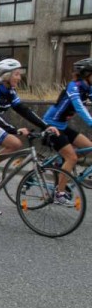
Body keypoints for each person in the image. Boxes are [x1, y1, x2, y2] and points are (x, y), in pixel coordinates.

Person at [0, 58, 58, 217]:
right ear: (6, 75)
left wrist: (45, 126)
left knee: (15, 143)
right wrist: (14, 129)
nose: (19, 78)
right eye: (16, 74)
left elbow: (24, 111)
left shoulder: (10, 92)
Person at [43, 58, 92, 204]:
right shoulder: (73, 86)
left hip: (62, 125)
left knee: (88, 146)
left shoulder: (88, 88)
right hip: (50, 125)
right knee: (72, 157)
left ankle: (59, 164)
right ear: (86, 74)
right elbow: (79, 107)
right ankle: (59, 193)